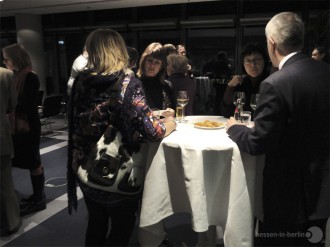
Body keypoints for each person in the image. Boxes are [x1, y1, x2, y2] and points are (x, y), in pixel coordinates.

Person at [226, 12, 329, 246]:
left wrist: (234, 129)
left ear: (271, 43)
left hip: (288, 198)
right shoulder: (325, 72)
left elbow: (257, 142)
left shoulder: (275, 82)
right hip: (322, 190)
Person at [67, 29, 176, 246]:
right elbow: (151, 131)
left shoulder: (81, 79)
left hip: (84, 166)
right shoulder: (128, 82)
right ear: (118, 50)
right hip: (117, 174)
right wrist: (170, 125)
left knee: (96, 223)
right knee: (121, 228)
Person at [2, 44, 46, 217]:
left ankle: (39, 199)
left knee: (33, 161)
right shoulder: (16, 75)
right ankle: (36, 196)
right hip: (21, 126)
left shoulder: (30, 77)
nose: (4, 62)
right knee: (29, 160)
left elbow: (25, 104)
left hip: (28, 126)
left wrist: (7, 104)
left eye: (7, 58)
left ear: (16, 58)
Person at [220, 43, 269, 118]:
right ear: (243, 64)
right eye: (248, 60)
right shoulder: (240, 83)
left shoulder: (271, 82)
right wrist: (230, 87)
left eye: (257, 59)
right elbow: (226, 113)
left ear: (264, 61)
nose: (253, 65)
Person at [0, 67, 21, 237]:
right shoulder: (6, 74)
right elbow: (11, 105)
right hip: (0, 134)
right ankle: (12, 222)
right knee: (6, 182)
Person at [137, 42, 175, 117]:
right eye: (150, 60)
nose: (152, 65)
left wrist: (172, 111)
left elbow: (174, 110)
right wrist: (159, 113)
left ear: (161, 67)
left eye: (157, 62)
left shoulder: (167, 86)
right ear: (143, 62)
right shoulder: (134, 84)